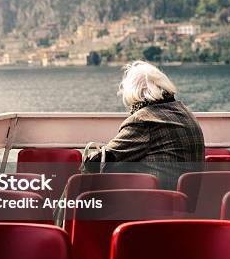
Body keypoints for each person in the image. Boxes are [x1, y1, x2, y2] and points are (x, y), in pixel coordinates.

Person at [84, 61, 204, 189]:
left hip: (153, 200)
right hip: (184, 199)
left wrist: (89, 157)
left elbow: (100, 161)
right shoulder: (185, 111)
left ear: (133, 90)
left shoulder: (143, 119)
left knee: (80, 183)